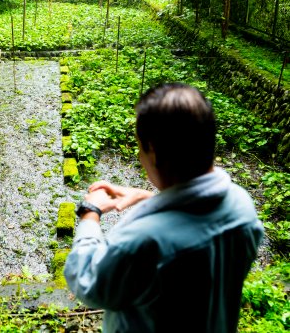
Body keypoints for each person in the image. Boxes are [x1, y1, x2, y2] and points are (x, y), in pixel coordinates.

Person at [64, 83, 264, 333]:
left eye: (140, 148)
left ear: (153, 153)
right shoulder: (242, 206)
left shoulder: (143, 243)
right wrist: (147, 197)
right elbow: (191, 221)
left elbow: (89, 283)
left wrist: (90, 212)